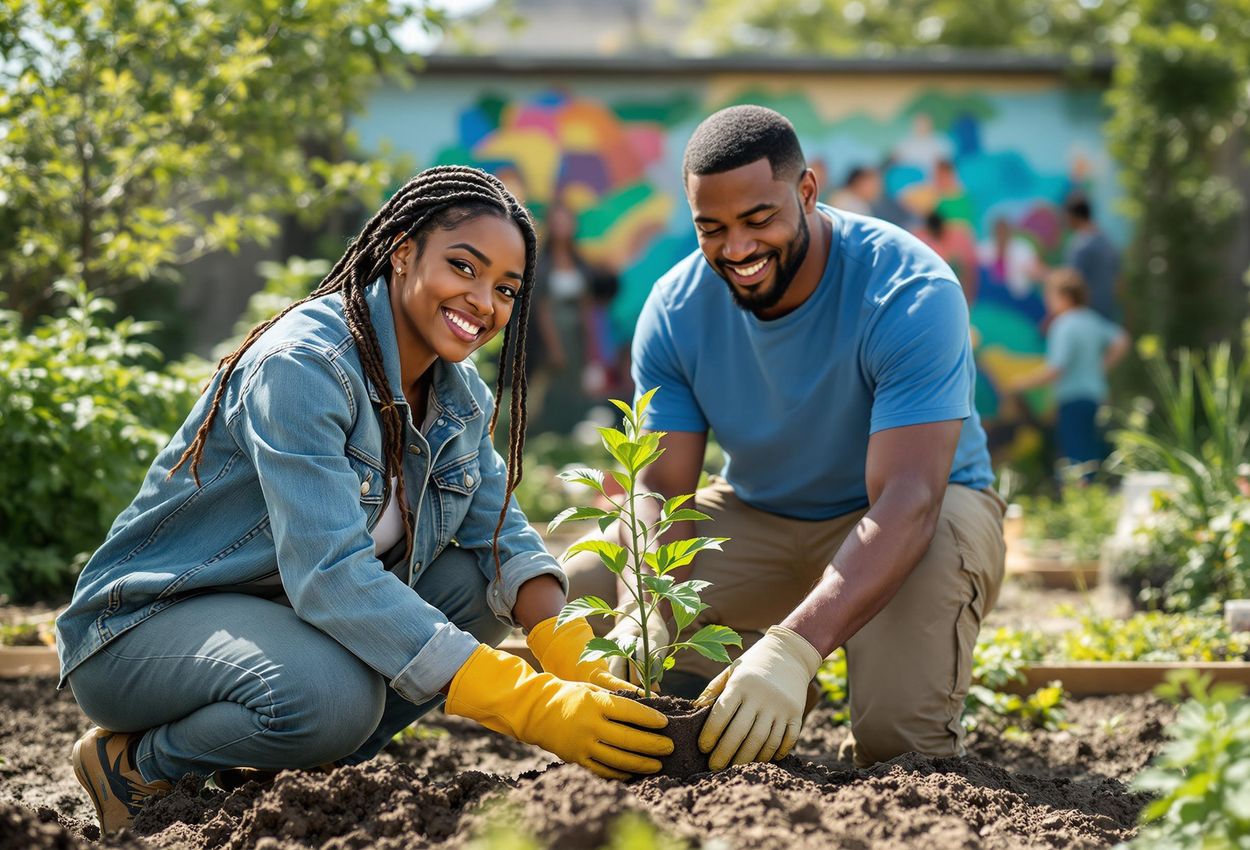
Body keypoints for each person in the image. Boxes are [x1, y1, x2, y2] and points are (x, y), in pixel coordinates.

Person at [56, 166, 672, 835]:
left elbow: (503, 536)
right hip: (143, 630)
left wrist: (571, 657)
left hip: (274, 620)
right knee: (331, 701)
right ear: (402, 251)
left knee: (473, 588)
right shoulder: (303, 366)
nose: (483, 301)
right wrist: (527, 704)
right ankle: (137, 762)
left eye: (505, 289)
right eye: (463, 267)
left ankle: (274, 768)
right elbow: (329, 577)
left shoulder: (456, 392)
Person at [563, 106, 1005, 771]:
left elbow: (910, 496)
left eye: (758, 219)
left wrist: (795, 648)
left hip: (916, 516)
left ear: (806, 193)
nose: (736, 249)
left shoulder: (907, 289)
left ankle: (786, 668)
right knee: (579, 596)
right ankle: (701, 688)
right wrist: (645, 603)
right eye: (712, 229)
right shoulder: (676, 310)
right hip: (760, 512)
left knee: (899, 744)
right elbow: (660, 486)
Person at [1006, 267, 1129, 474]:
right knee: (1093, 451)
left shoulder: (1063, 325)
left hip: (1072, 397)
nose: (1047, 301)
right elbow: (1122, 340)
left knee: (1077, 458)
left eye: (1049, 295)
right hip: (1096, 395)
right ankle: (1095, 498)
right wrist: (1101, 367)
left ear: (1064, 296)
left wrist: (1020, 383)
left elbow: (1056, 368)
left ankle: (1083, 499)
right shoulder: (1092, 319)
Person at [527, 201, 620, 433]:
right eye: (557, 220)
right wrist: (553, 346)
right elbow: (542, 309)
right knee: (551, 388)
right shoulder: (542, 263)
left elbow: (588, 307)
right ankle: (544, 434)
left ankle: (571, 437)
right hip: (552, 335)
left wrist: (592, 344)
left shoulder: (580, 261)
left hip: (577, 334)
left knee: (576, 387)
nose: (562, 225)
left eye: (566, 219)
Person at [1063, 195, 1121, 321]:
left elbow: (1071, 281)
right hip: (1108, 310)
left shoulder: (1080, 245)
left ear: (1071, 216)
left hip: (1087, 314)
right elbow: (1118, 281)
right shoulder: (1107, 240)